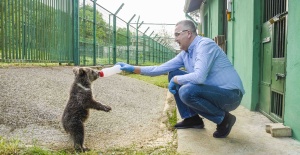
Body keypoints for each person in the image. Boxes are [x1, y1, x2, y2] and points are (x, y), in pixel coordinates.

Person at [116, 19, 244, 138]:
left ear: (188, 33)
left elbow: (199, 77)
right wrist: (131, 68)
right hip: (213, 92)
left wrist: (176, 79)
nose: (175, 39)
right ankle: (192, 118)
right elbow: (159, 69)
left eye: (177, 34)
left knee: (186, 91)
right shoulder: (185, 53)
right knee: (173, 73)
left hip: (230, 95)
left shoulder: (204, 45)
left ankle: (224, 119)